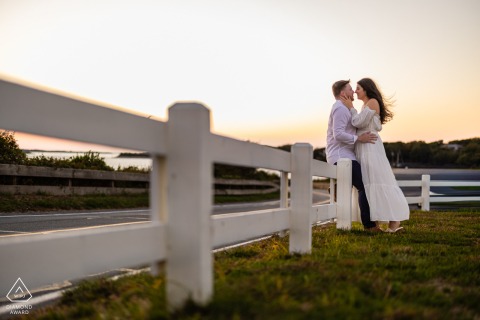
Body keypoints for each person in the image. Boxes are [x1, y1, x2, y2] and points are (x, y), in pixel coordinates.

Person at [340, 78, 410, 233]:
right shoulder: (365, 105)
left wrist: (351, 107)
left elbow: (358, 122)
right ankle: (376, 224)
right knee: (369, 183)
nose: (356, 91)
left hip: (371, 148)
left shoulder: (372, 102)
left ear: (366, 89)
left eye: (358, 88)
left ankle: (394, 222)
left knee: (379, 179)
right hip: (363, 148)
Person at [326, 79, 381, 232]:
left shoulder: (345, 108)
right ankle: (370, 227)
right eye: (351, 89)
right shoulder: (340, 108)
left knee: (362, 184)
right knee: (364, 185)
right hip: (341, 156)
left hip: (347, 155)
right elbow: (338, 134)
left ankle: (340, 186)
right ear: (343, 93)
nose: (354, 92)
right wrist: (359, 138)